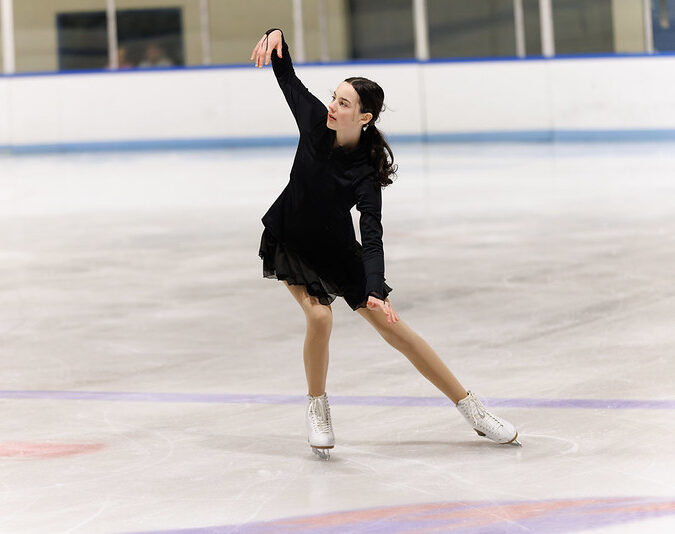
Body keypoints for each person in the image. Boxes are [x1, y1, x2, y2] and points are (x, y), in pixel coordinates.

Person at [251, 28, 521, 460]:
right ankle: (317, 407)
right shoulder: (313, 121)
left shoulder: (364, 173)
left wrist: (374, 290)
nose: (332, 107)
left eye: (344, 103)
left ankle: (473, 410)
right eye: (334, 97)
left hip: (336, 249)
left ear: (365, 117)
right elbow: (286, 75)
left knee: (397, 330)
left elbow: (371, 236)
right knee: (319, 319)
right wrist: (275, 34)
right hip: (291, 238)